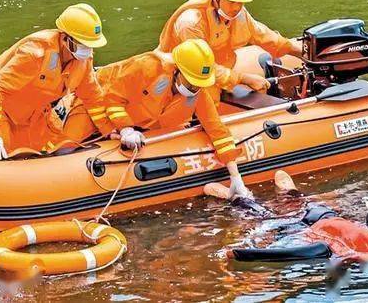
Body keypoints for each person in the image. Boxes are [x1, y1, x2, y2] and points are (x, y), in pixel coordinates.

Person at [98, 38, 253, 198]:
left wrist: (236, 177)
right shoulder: (145, 68)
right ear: (176, 69)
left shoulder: (198, 93)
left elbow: (217, 130)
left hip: (151, 133)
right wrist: (126, 129)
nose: (195, 88)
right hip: (111, 120)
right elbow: (112, 97)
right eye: (192, 82)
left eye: (199, 84)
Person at [0, 4, 114, 160]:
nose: (88, 51)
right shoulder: (35, 54)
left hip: (33, 107)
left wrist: (109, 130)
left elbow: (92, 97)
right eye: (84, 45)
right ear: (66, 38)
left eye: (91, 46)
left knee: (50, 149)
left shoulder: (82, 62)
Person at [157, 0, 304, 93]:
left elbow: (263, 35)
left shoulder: (238, 14)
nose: (237, 7)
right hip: (184, 81)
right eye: (232, 1)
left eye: (241, 1)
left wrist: (301, 52)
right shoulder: (191, 23)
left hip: (216, 76)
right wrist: (243, 79)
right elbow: (200, 68)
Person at [204, 171, 368, 263]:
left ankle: (235, 197)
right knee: (303, 201)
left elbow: (290, 253)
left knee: (262, 216)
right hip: (324, 216)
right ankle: (289, 191)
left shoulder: (332, 251)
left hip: (300, 229)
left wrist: (239, 254)